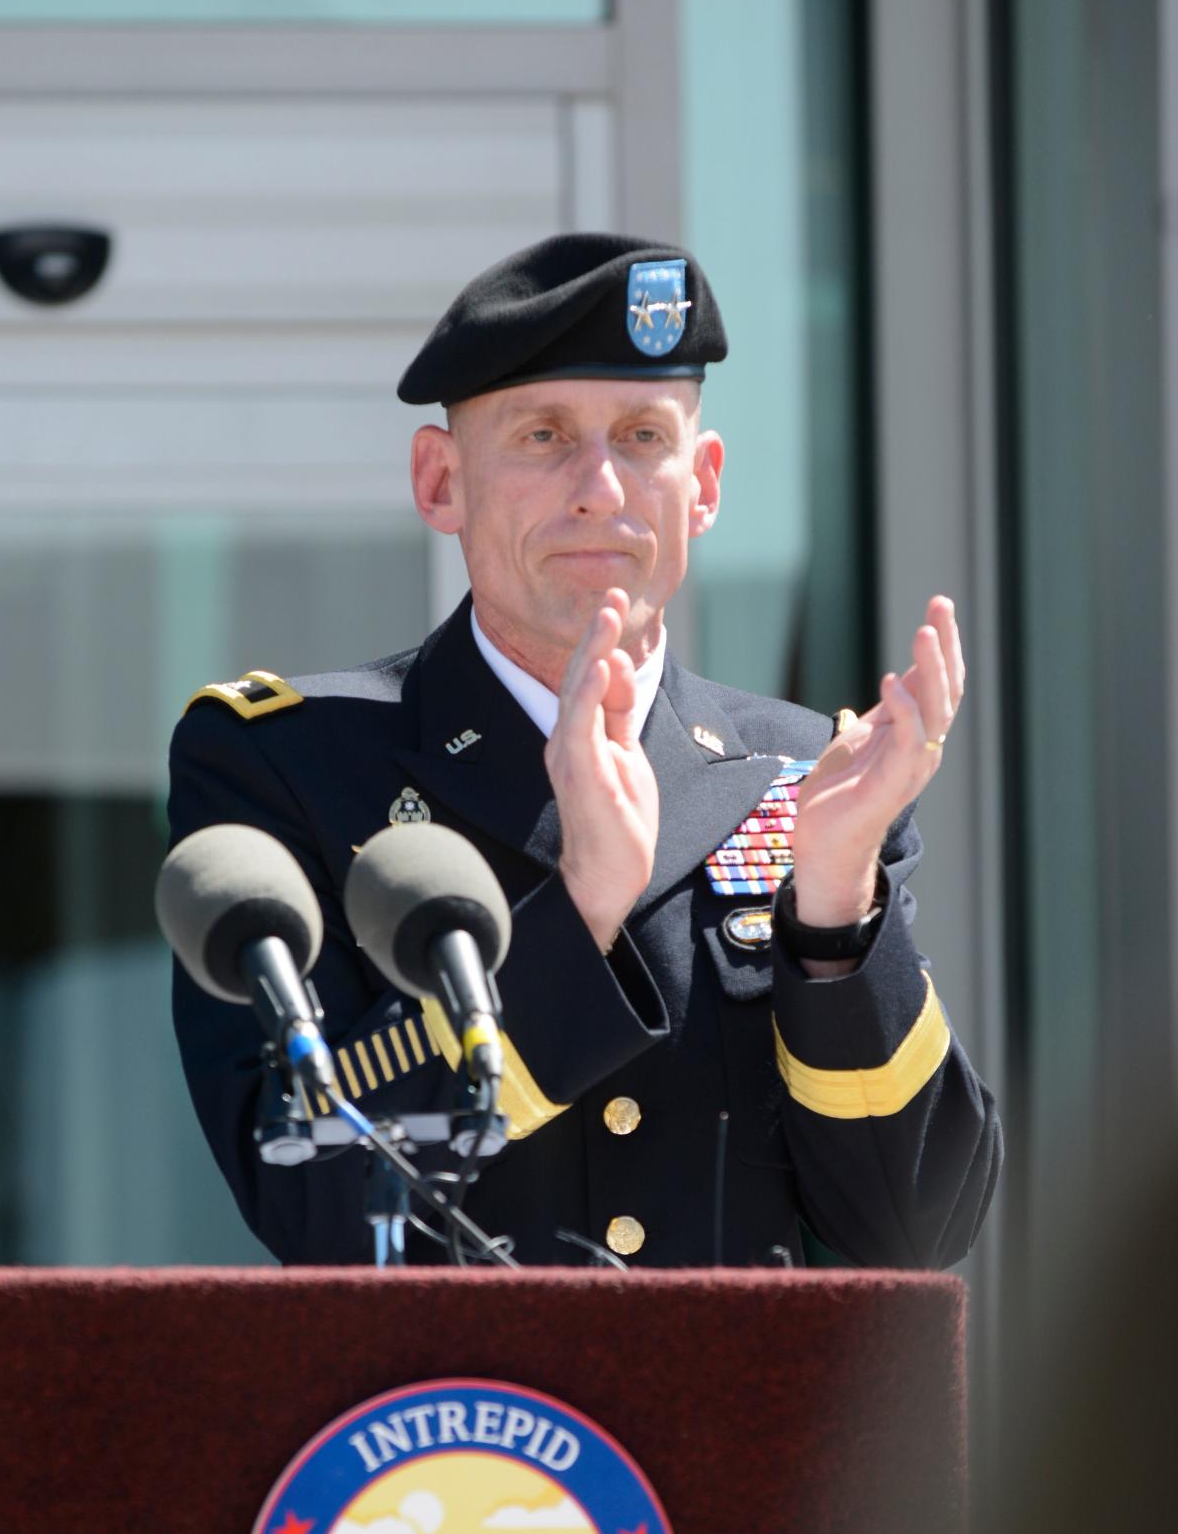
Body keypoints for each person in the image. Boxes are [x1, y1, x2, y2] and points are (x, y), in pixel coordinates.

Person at [167, 232, 1001, 1268]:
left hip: (736, 1427)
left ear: (703, 485)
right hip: (447, 1426)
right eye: (544, 435)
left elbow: (919, 1227)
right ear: (440, 482)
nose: (600, 486)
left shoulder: (802, 780)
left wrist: (834, 916)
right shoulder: (293, 763)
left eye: (644, 436)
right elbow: (305, 1187)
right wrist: (581, 911)